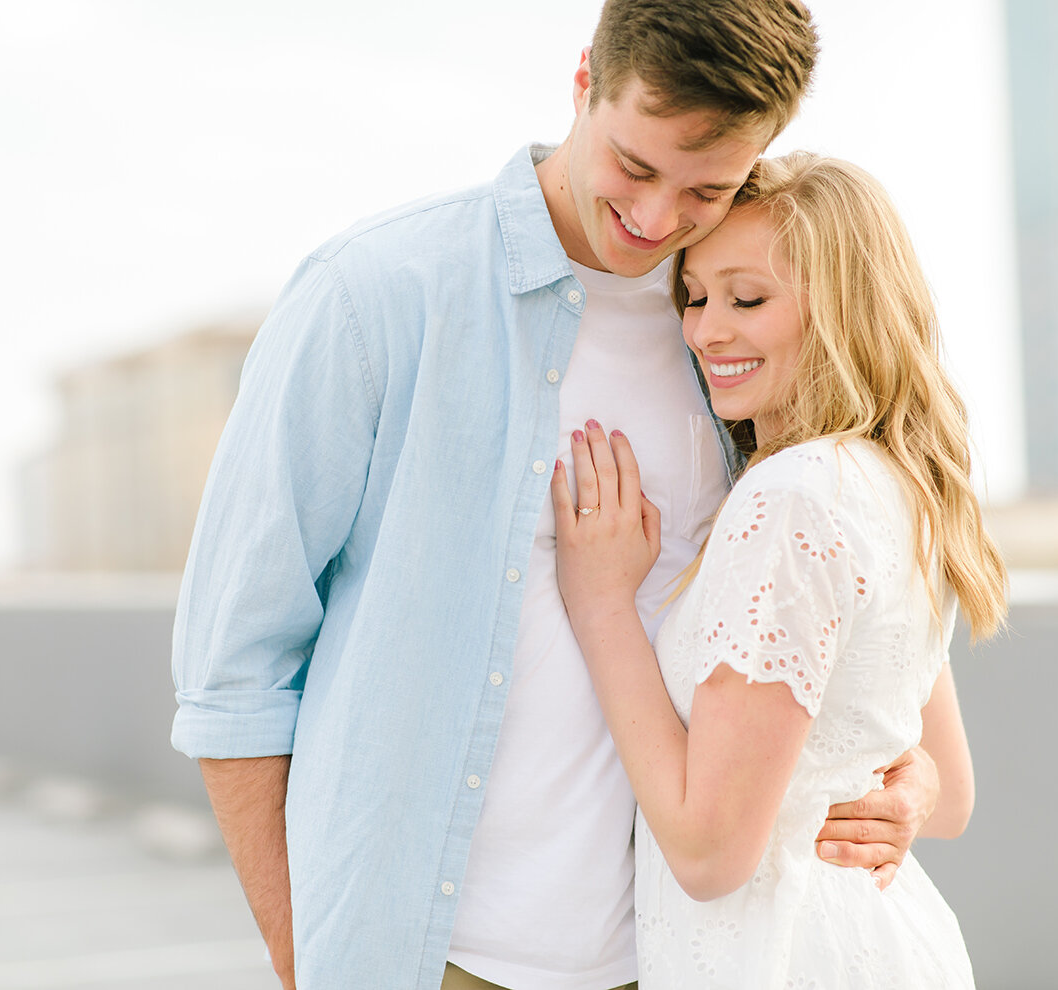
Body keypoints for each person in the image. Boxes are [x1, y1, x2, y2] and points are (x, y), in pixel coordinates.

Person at [171, 5, 955, 989]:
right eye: (634, 166)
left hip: (674, 959)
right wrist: (313, 964)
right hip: (429, 960)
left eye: (705, 189)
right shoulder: (373, 295)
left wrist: (906, 782)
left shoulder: (736, 330)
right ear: (584, 80)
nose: (659, 220)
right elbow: (231, 676)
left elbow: (853, 642)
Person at [551, 152, 1007, 988]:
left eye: (746, 298)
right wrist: (907, 788)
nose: (704, 331)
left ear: (842, 307)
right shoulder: (893, 481)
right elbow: (953, 792)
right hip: (883, 939)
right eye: (693, 297)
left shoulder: (792, 499)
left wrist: (602, 605)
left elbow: (708, 853)